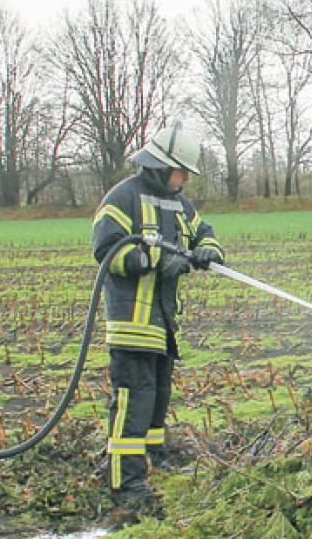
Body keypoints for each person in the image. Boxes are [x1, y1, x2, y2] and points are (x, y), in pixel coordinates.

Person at [92, 120, 225, 506]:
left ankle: (154, 460)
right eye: (181, 171)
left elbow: (205, 233)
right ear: (161, 165)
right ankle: (125, 482)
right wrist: (156, 258)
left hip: (164, 325)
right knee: (133, 404)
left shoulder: (181, 203)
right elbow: (108, 253)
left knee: (157, 400)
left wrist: (208, 252)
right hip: (132, 324)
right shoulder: (122, 198)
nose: (185, 179)